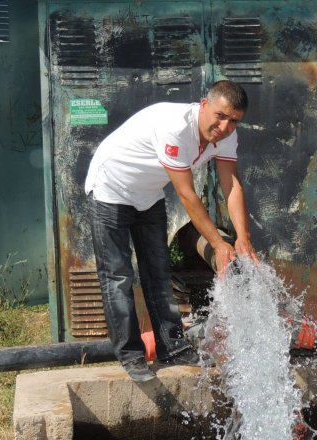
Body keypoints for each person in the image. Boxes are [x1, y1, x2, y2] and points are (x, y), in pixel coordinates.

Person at [84, 80, 257, 383]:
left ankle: (171, 346)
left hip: (148, 195)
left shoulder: (227, 136)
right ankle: (131, 355)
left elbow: (232, 186)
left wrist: (243, 239)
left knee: (158, 273)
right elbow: (187, 195)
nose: (225, 126)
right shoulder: (175, 127)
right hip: (110, 190)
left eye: (234, 120)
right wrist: (218, 244)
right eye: (220, 115)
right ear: (204, 105)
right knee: (118, 276)